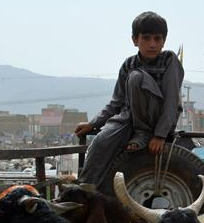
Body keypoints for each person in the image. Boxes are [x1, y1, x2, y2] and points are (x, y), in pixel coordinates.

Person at [75, 12, 183, 189]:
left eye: (157, 39)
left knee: (136, 78)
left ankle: (143, 133)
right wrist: (93, 124)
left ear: (164, 41)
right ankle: (86, 190)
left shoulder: (169, 60)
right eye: (146, 38)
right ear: (135, 40)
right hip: (129, 118)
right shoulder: (128, 64)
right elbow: (117, 102)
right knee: (101, 142)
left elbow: (171, 100)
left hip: (156, 120)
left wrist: (160, 135)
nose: (152, 44)